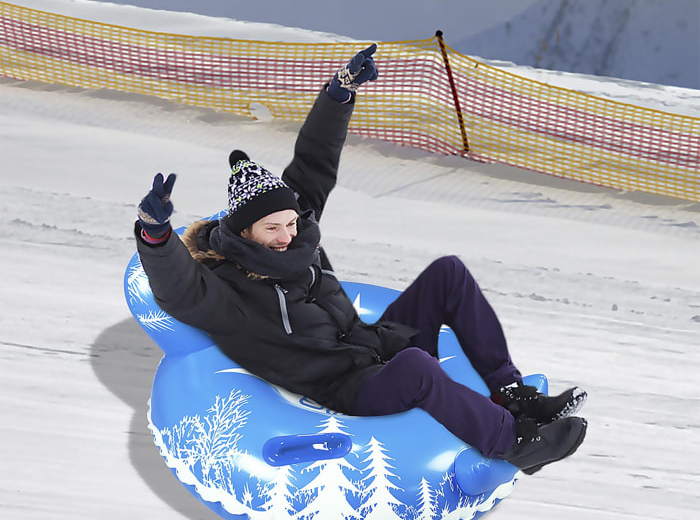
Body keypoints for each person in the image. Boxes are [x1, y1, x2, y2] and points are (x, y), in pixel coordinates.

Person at [135, 44, 588, 475]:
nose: (286, 237)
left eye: (290, 223)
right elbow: (179, 288)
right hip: (344, 389)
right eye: (272, 228)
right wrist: (154, 235)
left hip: (372, 345)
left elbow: (313, 163)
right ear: (244, 231)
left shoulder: (299, 241)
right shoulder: (230, 286)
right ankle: (513, 445)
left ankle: (513, 395)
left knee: (448, 273)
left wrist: (340, 92)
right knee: (416, 368)